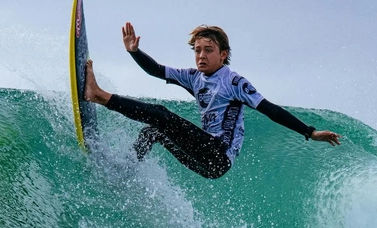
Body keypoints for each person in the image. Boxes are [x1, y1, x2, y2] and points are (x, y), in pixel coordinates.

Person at [83, 23, 340, 179]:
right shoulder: (194, 77)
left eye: (208, 50)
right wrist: (134, 51)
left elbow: (269, 109)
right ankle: (123, 173)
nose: (201, 56)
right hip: (204, 161)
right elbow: (157, 70)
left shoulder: (234, 82)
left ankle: (99, 95)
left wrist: (310, 132)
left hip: (218, 156)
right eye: (197, 50)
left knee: (161, 114)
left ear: (223, 54)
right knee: (153, 131)